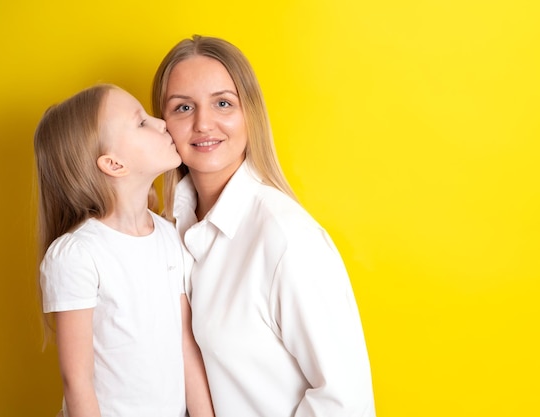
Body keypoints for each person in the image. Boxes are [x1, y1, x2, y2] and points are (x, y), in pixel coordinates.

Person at [152, 35, 376, 417]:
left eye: (223, 103)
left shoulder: (284, 238)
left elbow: (346, 403)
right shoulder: (165, 232)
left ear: (249, 114)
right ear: (162, 124)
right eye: (183, 107)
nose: (203, 123)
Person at [34, 83, 215, 417]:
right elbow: (78, 383)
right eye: (141, 122)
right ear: (114, 164)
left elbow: (186, 346)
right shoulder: (77, 255)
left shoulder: (168, 235)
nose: (161, 123)